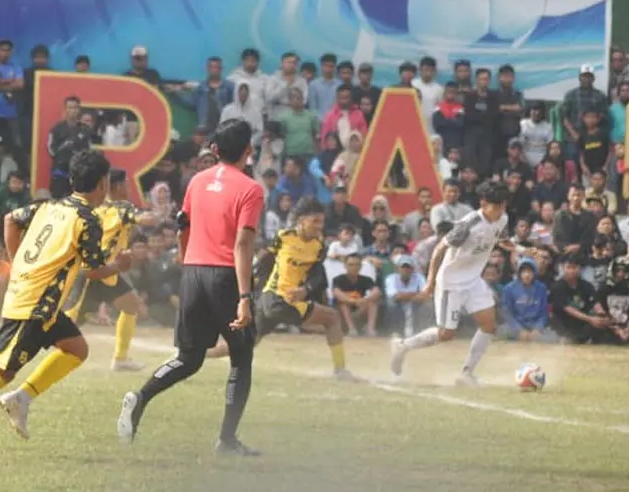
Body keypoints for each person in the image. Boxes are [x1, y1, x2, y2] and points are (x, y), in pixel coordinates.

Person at [0, 150, 132, 455]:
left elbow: (10, 219)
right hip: (35, 304)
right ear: (101, 183)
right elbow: (94, 269)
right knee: (1, 372)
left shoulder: (50, 205)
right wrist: (119, 266)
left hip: (42, 302)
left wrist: (16, 260)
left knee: (76, 349)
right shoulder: (88, 220)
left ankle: (22, 399)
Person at [118, 119, 264, 457]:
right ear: (248, 151)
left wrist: (188, 260)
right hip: (226, 276)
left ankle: (140, 398)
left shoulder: (196, 181)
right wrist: (244, 297)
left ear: (215, 149)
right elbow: (242, 245)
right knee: (241, 357)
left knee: (189, 357)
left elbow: (183, 224)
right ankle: (227, 440)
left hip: (194, 273)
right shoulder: (250, 189)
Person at [205, 198, 356, 380]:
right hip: (277, 299)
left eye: (322, 222)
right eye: (315, 221)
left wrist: (305, 290)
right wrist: (247, 284)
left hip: (278, 302)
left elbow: (318, 276)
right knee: (332, 318)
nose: (319, 226)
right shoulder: (284, 237)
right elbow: (265, 260)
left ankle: (199, 354)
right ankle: (340, 370)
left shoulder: (318, 246)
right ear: (301, 221)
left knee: (246, 342)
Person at [390, 180, 511, 386]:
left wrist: (523, 249)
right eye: (496, 206)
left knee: (489, 325)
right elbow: (439, 250)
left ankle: (466, 374)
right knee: (447, 334)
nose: (501, 210)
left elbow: (502, 239)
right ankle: (402, 346)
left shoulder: (502, 219)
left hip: (473, 280)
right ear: (483, 204)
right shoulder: (468, 225)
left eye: (503, 205)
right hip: (451, 282)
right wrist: (430, 284)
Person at [64, 169, 158, 371]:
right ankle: (32, 342)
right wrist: (157, 213)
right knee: (70, 322)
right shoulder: (122, 207)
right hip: (93, 271)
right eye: (125, 184)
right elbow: (144, 219)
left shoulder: (96, 206)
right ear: (116, 187)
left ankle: (120, 359)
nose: (128, 188)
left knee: (131, 303)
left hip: (105, 270)